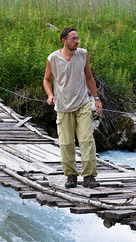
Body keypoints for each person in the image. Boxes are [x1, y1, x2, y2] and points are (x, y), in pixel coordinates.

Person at [43, 27, 102, 189]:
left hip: (83, 104)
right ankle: (71, 176)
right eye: (73, 39)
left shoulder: (83, 54)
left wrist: (96, 99)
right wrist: (50, 95)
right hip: (62, 106)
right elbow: (47, 80)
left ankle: (89, 176)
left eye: (77, 38)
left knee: (86, 140)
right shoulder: (53, 58)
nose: (77, 41)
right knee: (66, 142)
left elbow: (89, 77)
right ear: (64, 41)